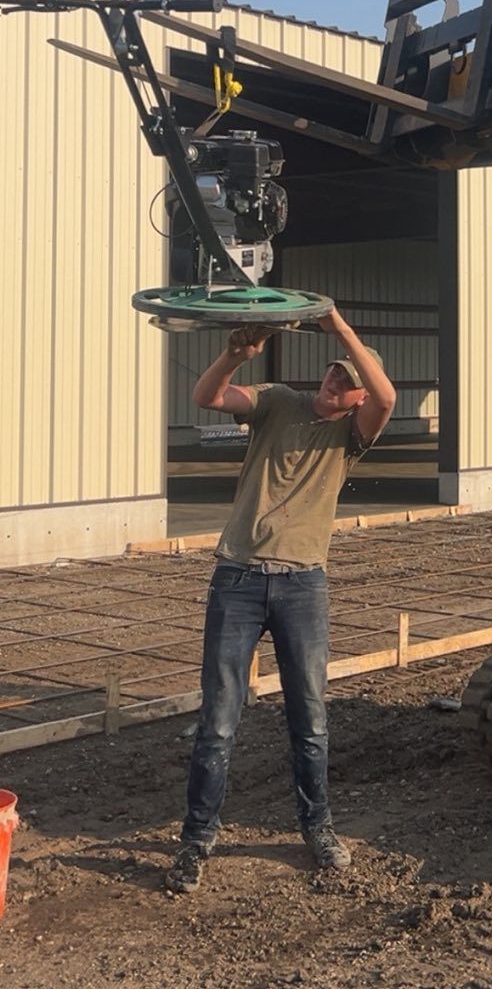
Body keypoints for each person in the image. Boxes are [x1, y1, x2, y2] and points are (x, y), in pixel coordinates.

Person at [166, 308, 396, 894]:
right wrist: (235, 356)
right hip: (238, 577)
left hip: (302, 585)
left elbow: (388, 396)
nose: (335, 382)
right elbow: (206, 396)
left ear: (356, 399)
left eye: (347, 382)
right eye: (333, 374)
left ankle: (316, 827)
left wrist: (340, 325)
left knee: (310, 718)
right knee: (218, 719)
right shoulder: (277, 400)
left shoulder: (350, 437)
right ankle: (197, 839)